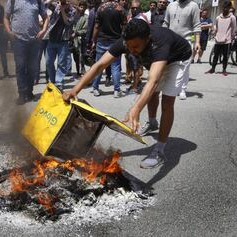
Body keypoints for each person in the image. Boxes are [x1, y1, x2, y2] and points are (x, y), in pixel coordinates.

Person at [63, 19, 192, 168]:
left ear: (148, 39)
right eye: (129, 47)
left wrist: (135, 109)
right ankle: (152, 122)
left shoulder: (160, 42)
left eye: (136, 47)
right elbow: (99, 65)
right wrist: (75, 90)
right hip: (158, 59)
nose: (131, 51)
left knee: (167, 102)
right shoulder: (127, 41)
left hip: (178, 59)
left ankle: (159, 150)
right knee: (152, 93)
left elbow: (153, 81)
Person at [4, 0, 49, 105]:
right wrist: (9, 31)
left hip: (34, 40)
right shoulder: (13, 1)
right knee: (20, 67)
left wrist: (43, 31)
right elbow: (6, 17)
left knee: (32, 68)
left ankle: (29, 91)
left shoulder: (37, 2)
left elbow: (46, 18)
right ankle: (21, 94)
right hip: (18, 40)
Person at [163, 0, 200, 100]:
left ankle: (182, 89)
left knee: (185, 67)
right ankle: (168, 87)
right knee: (169, 64)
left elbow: (197, 26)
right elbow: (166, 23)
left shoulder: (193, 6)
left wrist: (197, 42)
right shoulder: (171, 5)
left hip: (186, 41)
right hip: (171, 41)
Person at [91, 0, 127, 98]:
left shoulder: (101, 8)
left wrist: (94, 40)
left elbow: (97, 26)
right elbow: (124, 26)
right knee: (115, 67)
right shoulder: (120, 9)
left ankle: (95, 88)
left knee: (99, 65)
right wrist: (123, 40)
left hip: (102, 40)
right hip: (115, 41)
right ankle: (116, 90)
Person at [45, 0, 76, 90]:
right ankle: (53, 80)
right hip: (51, 39)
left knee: (61, 63)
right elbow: (44, 4)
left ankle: (58, 82)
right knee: (48, 62)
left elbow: (68, 22)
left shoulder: (72, 10)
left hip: (63, 40)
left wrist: (62, 10)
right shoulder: (55, 5)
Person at [206, 1, 236, 76]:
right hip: (218, 39)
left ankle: (224, 70)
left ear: (229, 8)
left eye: (226, 8)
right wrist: (214, 32)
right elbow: (216, 26)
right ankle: (212, 69)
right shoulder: (218, 17)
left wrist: (231, 38)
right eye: (223, 7)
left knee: (225, 56)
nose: (224, 9)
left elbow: (233, 28)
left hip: (227, 41)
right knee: (215, 55)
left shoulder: (232, 17)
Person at [71, 0, 88, 78]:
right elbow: (72, 25)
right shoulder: (75, 16)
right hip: (73, 40)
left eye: (83, 7)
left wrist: (77, 33)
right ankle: (78, 71)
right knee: (75, 56)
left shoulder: (86, 17)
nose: (82, 8)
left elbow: (85, 29)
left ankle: (82, 70)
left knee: (81, 56)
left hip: (81, 40)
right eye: (80, 6)